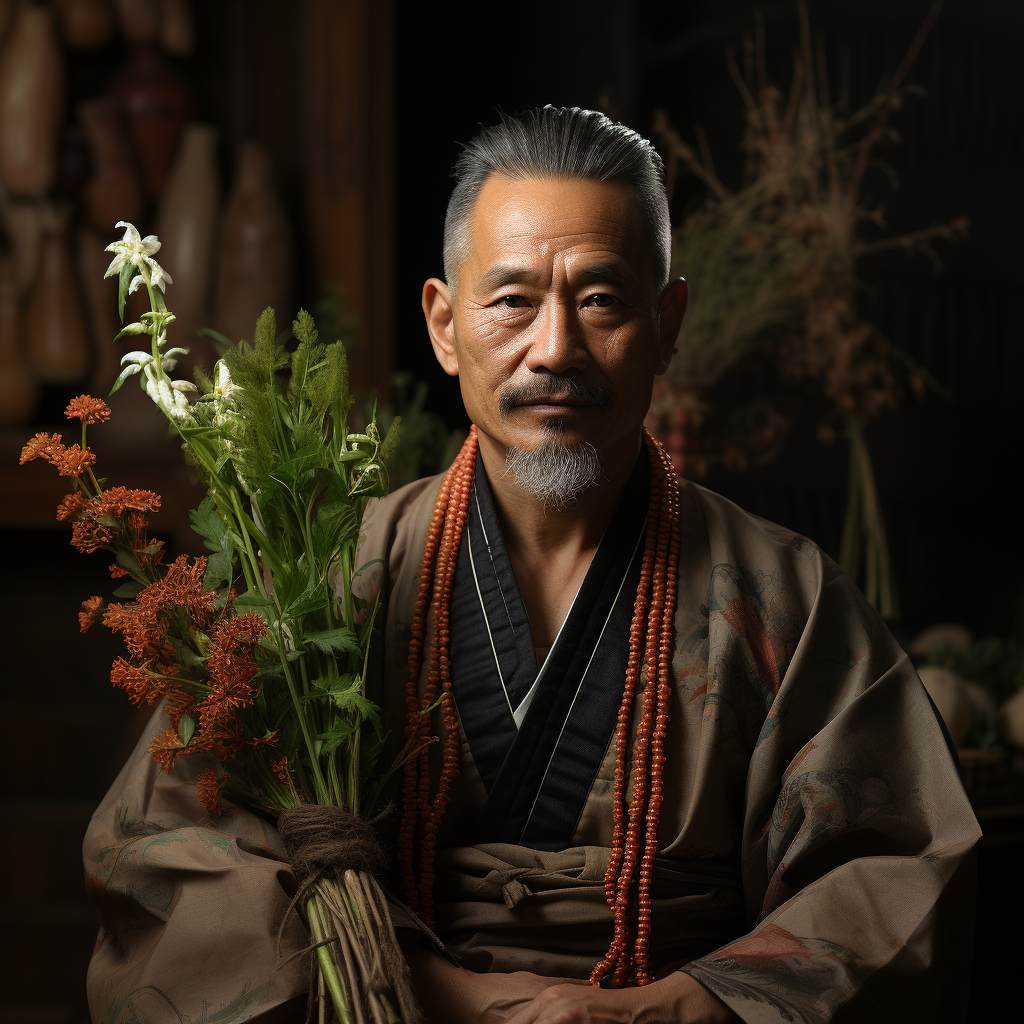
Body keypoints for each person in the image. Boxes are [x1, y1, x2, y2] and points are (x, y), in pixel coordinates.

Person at [84, 107, 980, 1024]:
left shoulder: (785, 599)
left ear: (667, 324)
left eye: (600, 299)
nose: (554, 348)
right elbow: (165, 851)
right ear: (443, 324)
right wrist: (438, 995)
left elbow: (902, 876)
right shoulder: (325, 581)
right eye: (511, 300)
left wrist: (674, 1009)